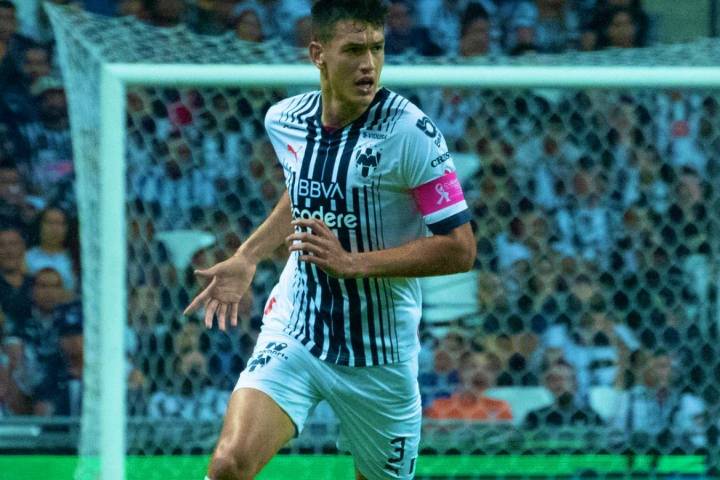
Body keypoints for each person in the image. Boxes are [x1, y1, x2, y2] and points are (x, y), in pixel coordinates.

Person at [184, 1, 476, 479]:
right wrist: (248, 255)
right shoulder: (285, 120)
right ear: (318, 54)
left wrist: (352, 263)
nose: (369, 64)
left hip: (379, 356)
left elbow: (460, 248)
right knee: (228, 467)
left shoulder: (412, 134)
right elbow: (302, 188)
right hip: (298, 330)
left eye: (377, 48)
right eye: (354, 50)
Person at [425, 351, 512, 421]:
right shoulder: (439, 407)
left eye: (488, 368)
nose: (479, 372)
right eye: (472, 367)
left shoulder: (500, 408)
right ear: (460, 372)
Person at [523, 360, 604, 428]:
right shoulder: (535, 417)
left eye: (567, 379)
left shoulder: (591, 417)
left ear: (575, 384)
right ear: (547, 385)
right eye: (555, 379)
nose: (561, 384)